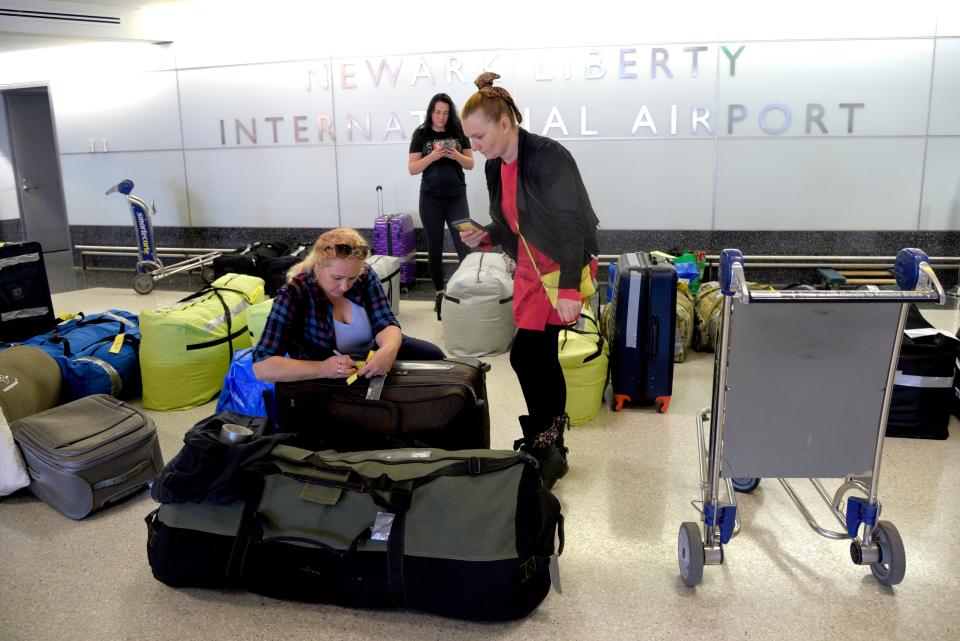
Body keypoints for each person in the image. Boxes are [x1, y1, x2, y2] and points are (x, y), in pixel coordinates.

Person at [459, 72, 600, 489]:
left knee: (527, 354)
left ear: (505, 124)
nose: (475, 146)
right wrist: (485, 233)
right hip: (529, 268)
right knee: (535, 356)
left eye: (480, 136)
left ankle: (548, 443)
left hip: (561, 268)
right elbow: (510, 224)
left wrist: (572, 287)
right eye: (471, 138)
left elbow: (572, 225)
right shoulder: (492, 166)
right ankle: (549, 444)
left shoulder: (547, 156)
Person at [252, 227, 444, 382]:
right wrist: (322, 368)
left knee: (435, 357)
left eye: (352, 278)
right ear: (317, 266)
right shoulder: (294, 293)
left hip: (370, 356)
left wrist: (388, 350)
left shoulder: (365, 274)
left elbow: (385, 322)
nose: (344, 286)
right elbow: (262, 366)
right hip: (328, 374)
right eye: (336, 278)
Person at [408, 93, 475, 320]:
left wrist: (455, 154)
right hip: (430, 198)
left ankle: (466, 292)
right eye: (437, 112)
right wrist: (433, 156)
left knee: (463, 245)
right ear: (431, 112)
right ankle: (439, 293)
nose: (441, 117)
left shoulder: (458, 131)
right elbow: (413, 168)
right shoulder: (421, 133)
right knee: (434, 247)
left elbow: (471, 164)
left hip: (457, 196)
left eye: (445, 113)